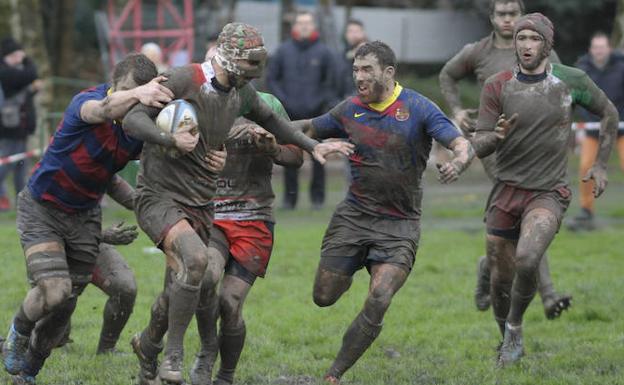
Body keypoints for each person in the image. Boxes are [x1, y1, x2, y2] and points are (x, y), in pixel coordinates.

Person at [122, 22, 352, 385]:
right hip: (159, 196)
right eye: (248, 66)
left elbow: (277, 122)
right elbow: (132, 118)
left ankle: (150, 348)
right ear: (228, 59)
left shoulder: (241, 94)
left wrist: (313, 146)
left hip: (201, 205)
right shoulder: (186, 78)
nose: (252, 75)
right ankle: (173, 356)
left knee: (182, 286)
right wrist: (168, 139)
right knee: (197, 264)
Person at [299, 41, 474, 383]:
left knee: (379, 296)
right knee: (323, 297)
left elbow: (461, 144)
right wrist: (266, 125)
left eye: (366, 70)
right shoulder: (349, 110)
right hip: (354, 217)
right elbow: (304, 127)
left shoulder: (419, 108)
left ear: (388, 72)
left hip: (400, 225)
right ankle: (353, 264)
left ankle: (333, 375)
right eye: (355, 70)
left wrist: (459, 162)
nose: (358, 77)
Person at [1, 53, 175, 384]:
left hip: (83, 217)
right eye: (125, 91)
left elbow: (109, 175)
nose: (128, 102)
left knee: (64, 305)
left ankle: (29, 372)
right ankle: (18, 331)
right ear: (114, 85)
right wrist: (137, 94)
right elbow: (106, 109)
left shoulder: (136, 131)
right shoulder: (88, 103)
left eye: (138, 95)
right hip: (42, 208)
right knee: (54, 290)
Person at [472, 13, 617, 366]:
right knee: (500, 280)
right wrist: (495, 136)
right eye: (521, 39)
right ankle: (504, 334)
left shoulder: (571, 80)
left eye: (533, 39)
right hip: (506, 190)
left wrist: (599, 164)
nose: (525, 45)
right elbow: (480, 142)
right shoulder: (497, 84)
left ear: (547, 45)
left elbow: (609, 113)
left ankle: (516, 329)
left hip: (549, 191)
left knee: (527, 258)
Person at [439, 0, 571, 319]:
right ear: (492, 17)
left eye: (514, 14)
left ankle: (488, 266)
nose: (509, 20)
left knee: (527, 226)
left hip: (537, 151)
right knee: (527, 220)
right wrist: (456, 110)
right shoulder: (477, 51)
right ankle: (549, 294)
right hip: (496, 148)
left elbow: (565, 91)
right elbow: (446, 75)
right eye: (502, 14)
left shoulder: (541, 50)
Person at [266, 10, 339, 210]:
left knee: (319, 155)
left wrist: (320, 103)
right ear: (294, 27)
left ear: (314, 26)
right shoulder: (282, 51)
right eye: (301, 23)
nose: (304, 26)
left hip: (317, 114)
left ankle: (317, 199)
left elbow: (331, 83)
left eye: (308, 23)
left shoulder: (325, 53)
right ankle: (290, 200)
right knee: (290, 155)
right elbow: (272, 80)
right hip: (288, 113)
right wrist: (284, 101)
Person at [567, 32, 624, 231]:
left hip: (620, 127)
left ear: (609, 49)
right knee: (585, 168)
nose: (599, 51)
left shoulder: (621, 67)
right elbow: (575, 97)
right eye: (595, 47)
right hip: (593, 128)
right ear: (591, 50)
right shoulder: (582, 70)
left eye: (602, 47)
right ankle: (586, 210)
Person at [0, 37, 40, 212]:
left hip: (21, 128)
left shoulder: (15, 71)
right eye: (14, 55)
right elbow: (31, 75)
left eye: (19, 54)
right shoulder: (5, 72)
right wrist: (27, 59)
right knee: (6, 164)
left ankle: (21, 204)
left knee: (20, 169)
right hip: (10, 128)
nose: (18, 58)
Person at [337, 19, 368, 99]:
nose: (354, 35)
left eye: (357, 31)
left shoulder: (372, 55)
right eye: (350, 31)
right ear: (346, 34)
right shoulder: (340, 56)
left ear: (363, 34)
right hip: (342, 103)